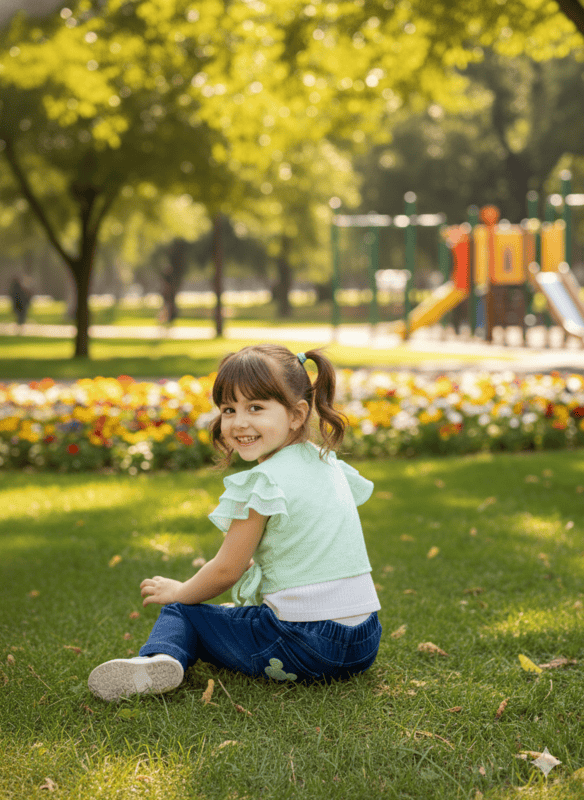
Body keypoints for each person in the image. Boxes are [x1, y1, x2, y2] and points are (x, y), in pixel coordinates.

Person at [88, 345, 382, 701]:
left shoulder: (264, 481)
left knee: (183, 612)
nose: (239, 422)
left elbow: (228, 569)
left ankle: (159, 659)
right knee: (237, 615)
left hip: (302, 646)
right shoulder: (327, 464)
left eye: (255, 407)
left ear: (296, 415)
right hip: (363, 641)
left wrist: (180, 592)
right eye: (229, 409)